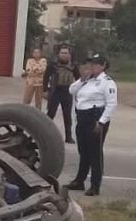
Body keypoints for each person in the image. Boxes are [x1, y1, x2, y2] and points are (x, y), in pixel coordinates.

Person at [66, 54, 118, 196]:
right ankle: (79, 181)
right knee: (83, 151)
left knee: (95, 153)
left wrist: (102, 122)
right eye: (91, 64)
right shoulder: (87, 80)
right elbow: (71, 90)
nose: (92, 67)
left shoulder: (107, 82)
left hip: (95, 119)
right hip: (82, 117)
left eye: (95, 64)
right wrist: (82, 79)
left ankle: (95, 186)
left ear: (103, 66)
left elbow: (111, 104)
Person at [44, 44, 77, 144]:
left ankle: (68, 136)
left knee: (67, 115)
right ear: (58, 54)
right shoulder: (53, 65)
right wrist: (45, 90)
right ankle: (44, 134)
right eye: (62, 53)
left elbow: (79, 80)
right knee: (50, 114)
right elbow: (46, 77)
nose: (64, 55)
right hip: (55, 91)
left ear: (69, 55)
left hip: (67, 91)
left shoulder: (73, 66)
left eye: (66, 53)